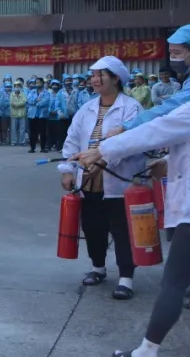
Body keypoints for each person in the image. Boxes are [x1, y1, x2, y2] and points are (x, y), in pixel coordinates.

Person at [73, 51, 190, 357]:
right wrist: (168, 163)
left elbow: (151, 132)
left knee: (173, 282)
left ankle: (147, 351)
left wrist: (100, 151)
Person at [58, 56, 144, 299]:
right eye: (92, 75)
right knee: (93, 227)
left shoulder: (132, 108)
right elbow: (72, 139)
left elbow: (133, 143)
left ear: (116, 78)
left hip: (119, 179)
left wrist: (104, 160)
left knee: (121, 230)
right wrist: (67, 169)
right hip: (88, 179)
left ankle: (126, 278)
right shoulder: (87, 108)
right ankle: (98, 267)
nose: (94, 80)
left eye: (100, 75)